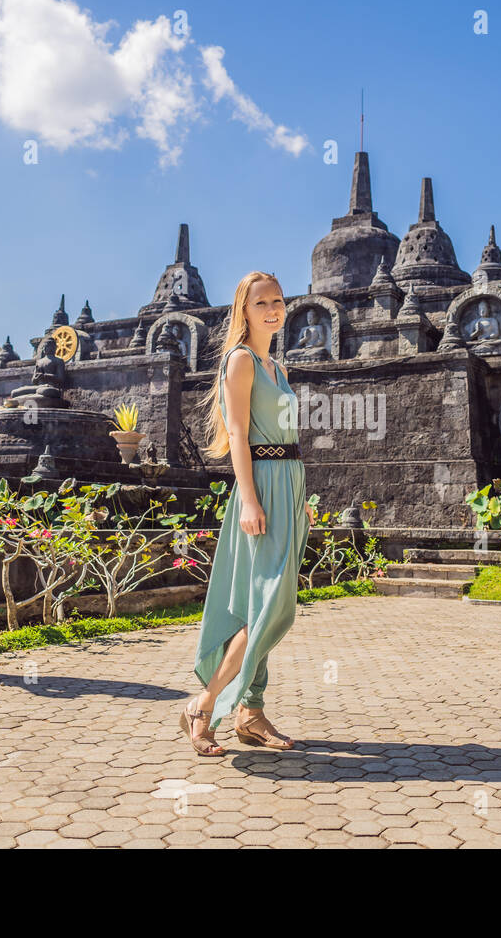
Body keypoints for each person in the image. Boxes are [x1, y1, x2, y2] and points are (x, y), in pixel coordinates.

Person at [182, 271, 315, 756]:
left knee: (274, 603)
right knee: (264, 606)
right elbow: (238, 434)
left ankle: (250, 713)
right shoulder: (240, 362)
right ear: (244, 311)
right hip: (258, 486)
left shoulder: (277, 368)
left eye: (278, 301)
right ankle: (204, 703)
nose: (273, 310)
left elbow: (290, 441)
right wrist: (251, 499)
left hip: (289, 485)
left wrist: (300, 498)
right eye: (262, 303)